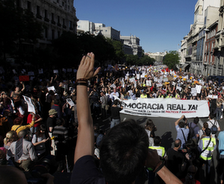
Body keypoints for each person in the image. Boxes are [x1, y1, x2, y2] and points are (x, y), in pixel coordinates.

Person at [70, 52, 182, 184]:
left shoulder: (83, 178)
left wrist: (81, 81)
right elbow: (85, 125)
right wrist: (158, 166)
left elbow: (84, 125)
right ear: (142, 165)